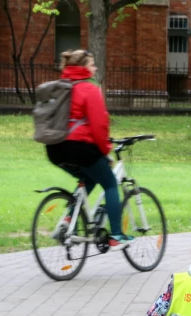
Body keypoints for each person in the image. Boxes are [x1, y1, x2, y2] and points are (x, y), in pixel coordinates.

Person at [44, 49, 132, 248]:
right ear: (83, 67)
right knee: (109, 182)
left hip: (54, 148)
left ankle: (68, 220)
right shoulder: (89, 89)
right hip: (79, 147)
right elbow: (99, 125)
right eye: (92, 64)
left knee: (89, 177)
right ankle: (116, 235)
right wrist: (105, 151)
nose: (96, 68)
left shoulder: (61, 87)